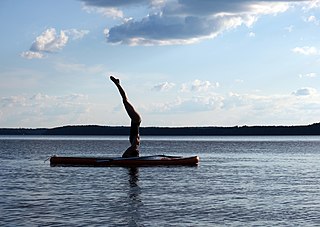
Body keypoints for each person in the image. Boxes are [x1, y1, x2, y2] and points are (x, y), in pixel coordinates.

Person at [110, 75, 142, 158]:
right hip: (135, 120)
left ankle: (117, 84)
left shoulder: (134, 145)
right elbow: (126, 154)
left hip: (135, 120)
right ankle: (117, 84)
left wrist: (125, 157)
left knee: (125, 100)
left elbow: (128, 153)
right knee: (125, 100)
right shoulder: (135, 143)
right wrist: (124, 157)